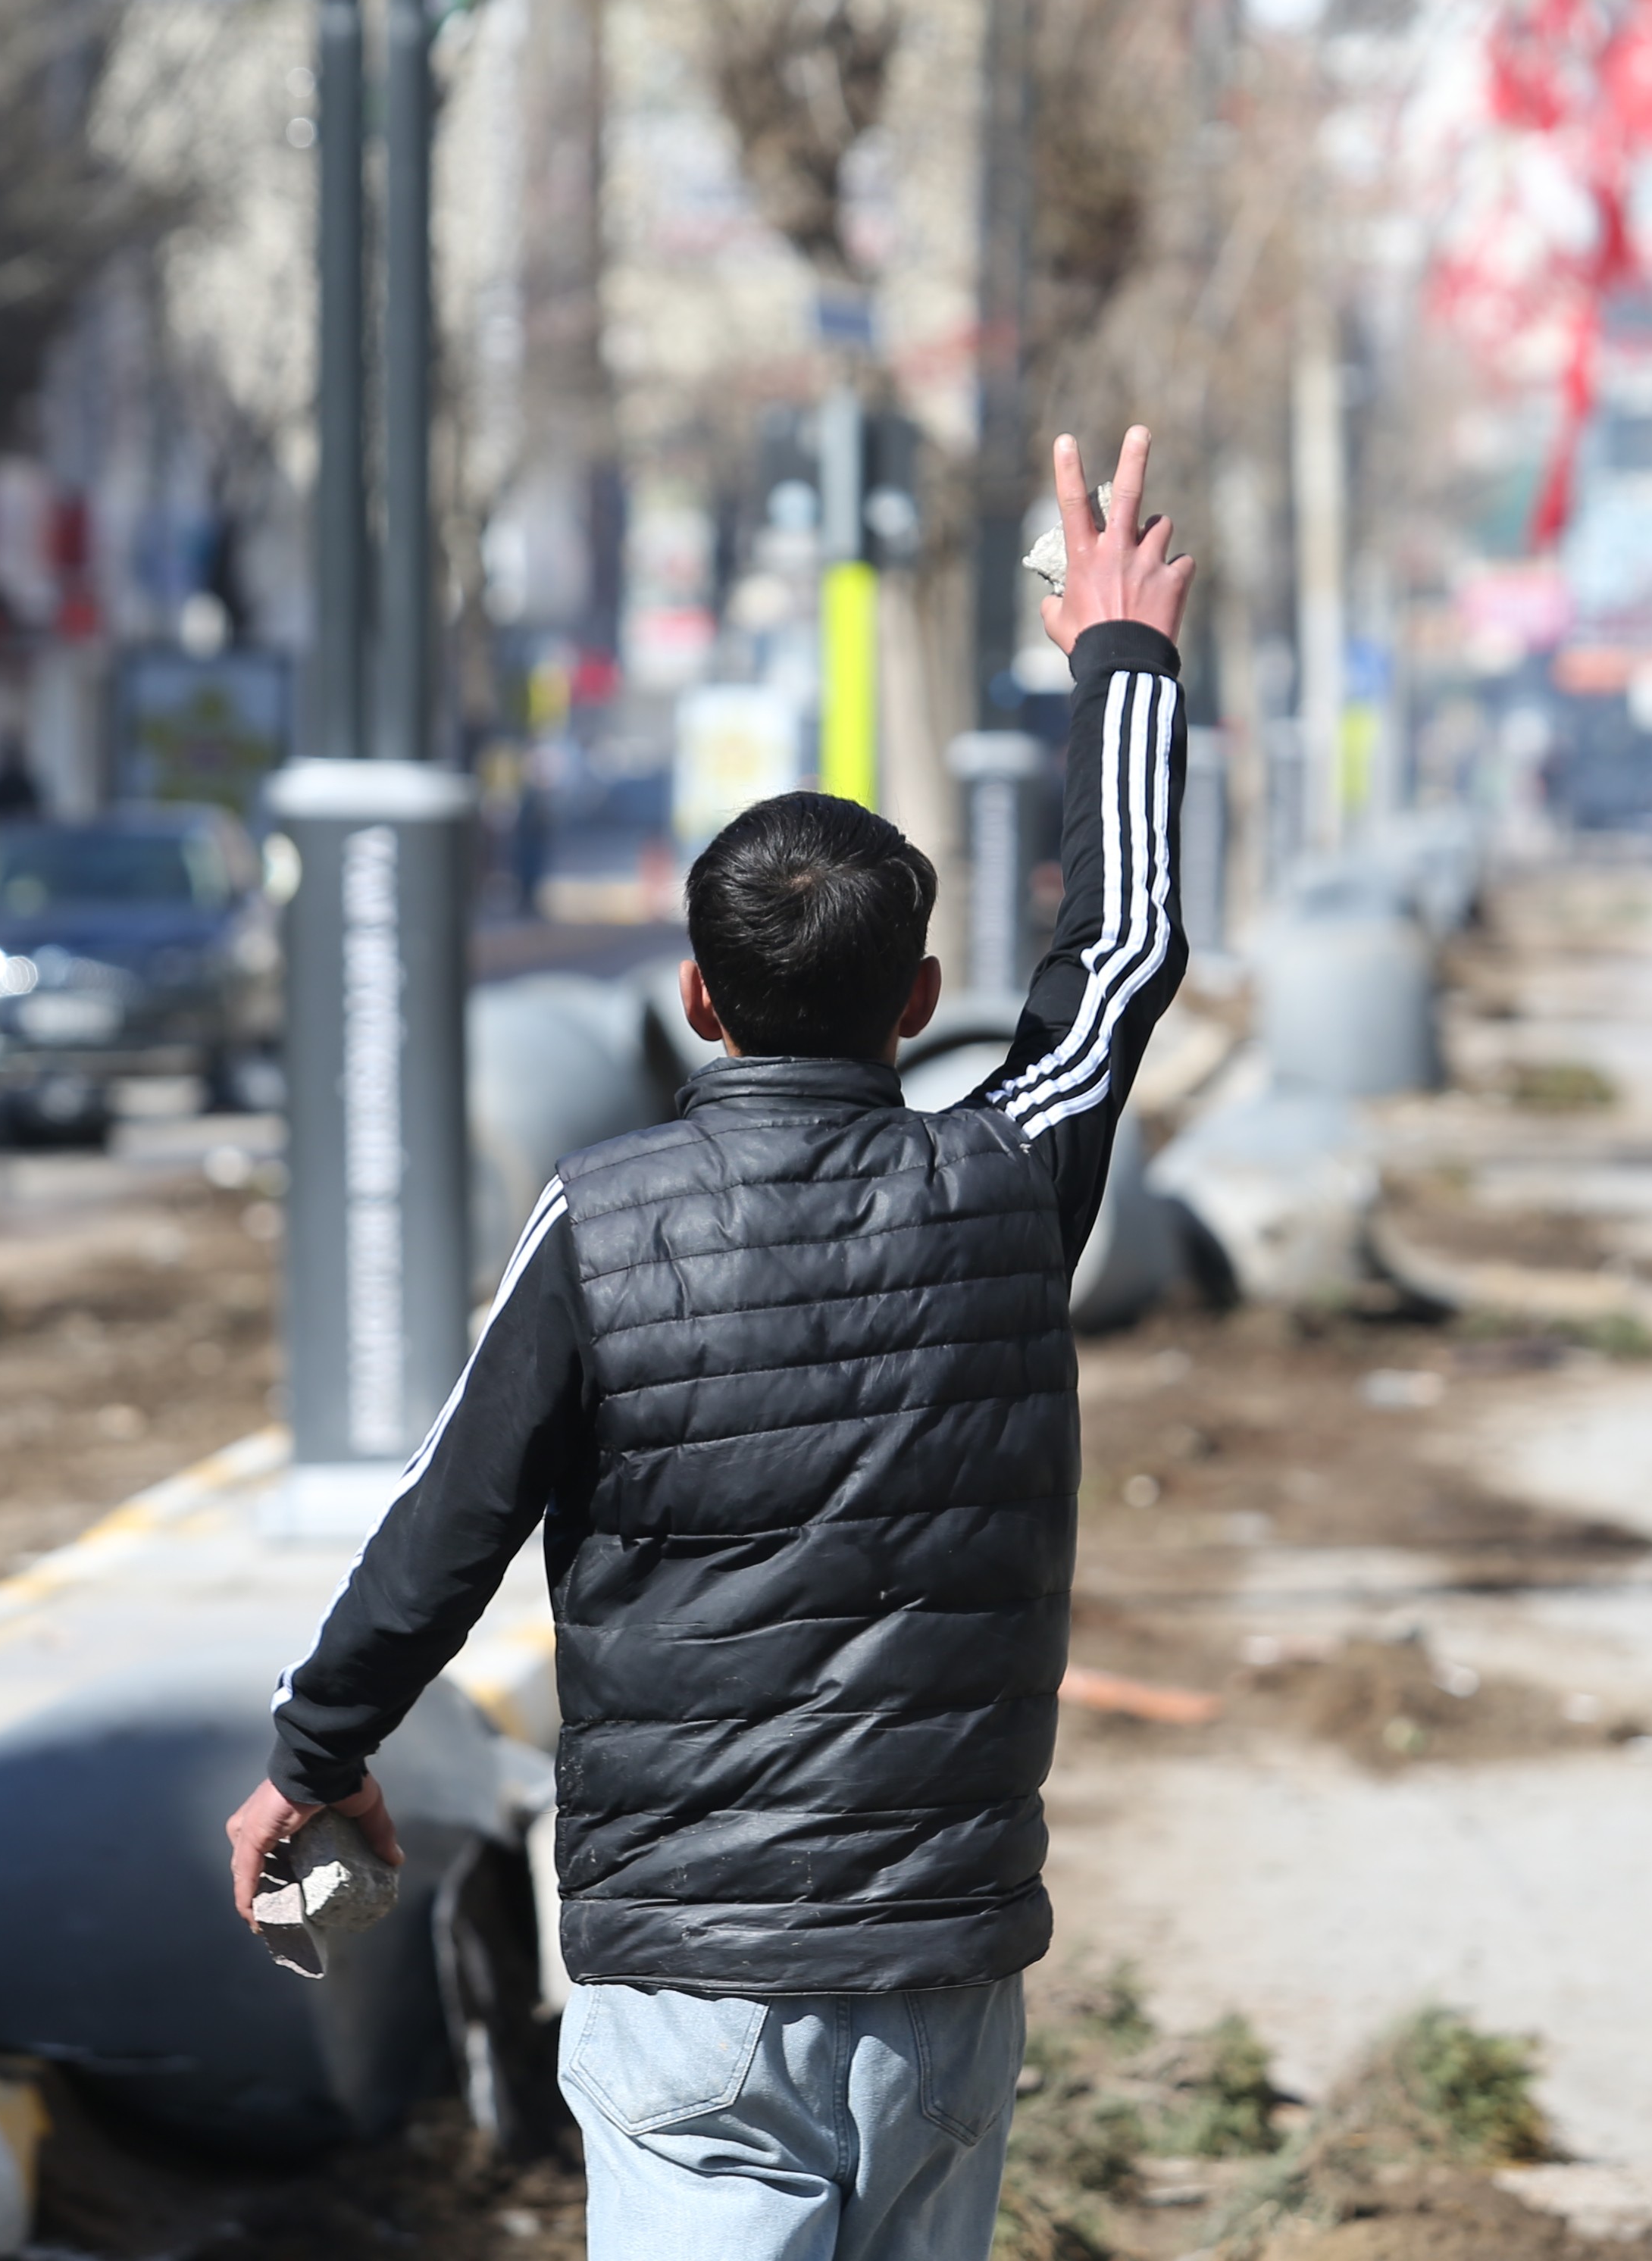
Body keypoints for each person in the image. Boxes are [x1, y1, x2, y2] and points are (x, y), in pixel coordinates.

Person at [228, 430, 1191, 2261]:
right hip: (944, 1979)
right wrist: (1118, 656)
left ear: (694, 995)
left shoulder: (602, 1220)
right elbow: (1124, 945)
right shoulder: (1006, 1186)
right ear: (916, 1004)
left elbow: (447, 1521)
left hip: (693, 1987)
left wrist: (315, 1747)